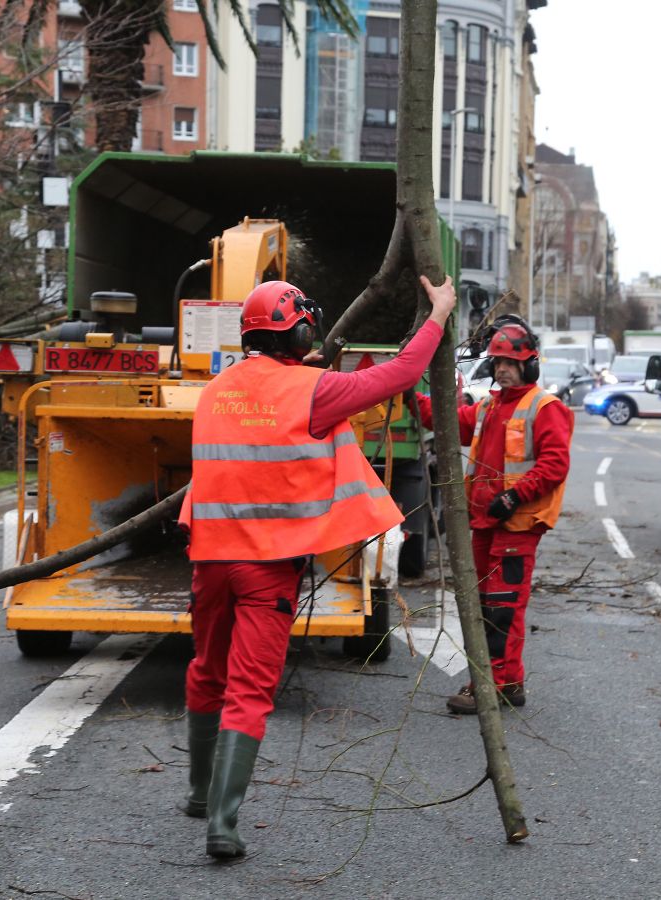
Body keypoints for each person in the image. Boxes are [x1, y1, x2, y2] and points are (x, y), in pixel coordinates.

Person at [177, 274, 457, 859]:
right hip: (268, 567)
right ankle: (222, 826)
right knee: (249, 691)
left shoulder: (217, 390)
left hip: (209, 558)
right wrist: (438, 313)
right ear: (300, 330)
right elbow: (401, 375)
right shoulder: (314, 390)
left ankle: (200, 794)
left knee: (207, 668)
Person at [416, 316, 572, 715]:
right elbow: (449, 423)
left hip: (516, 525)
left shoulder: (544, 407)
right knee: (487, 607)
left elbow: (555, 464)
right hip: (486, 522)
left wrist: (515, 496)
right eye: (497, 362)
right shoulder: (489, 405)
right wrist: (410, 397)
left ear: (528, 365)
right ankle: (509, 682)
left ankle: (489, 686)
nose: (501, 369)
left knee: (500, 610)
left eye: (508, 363)